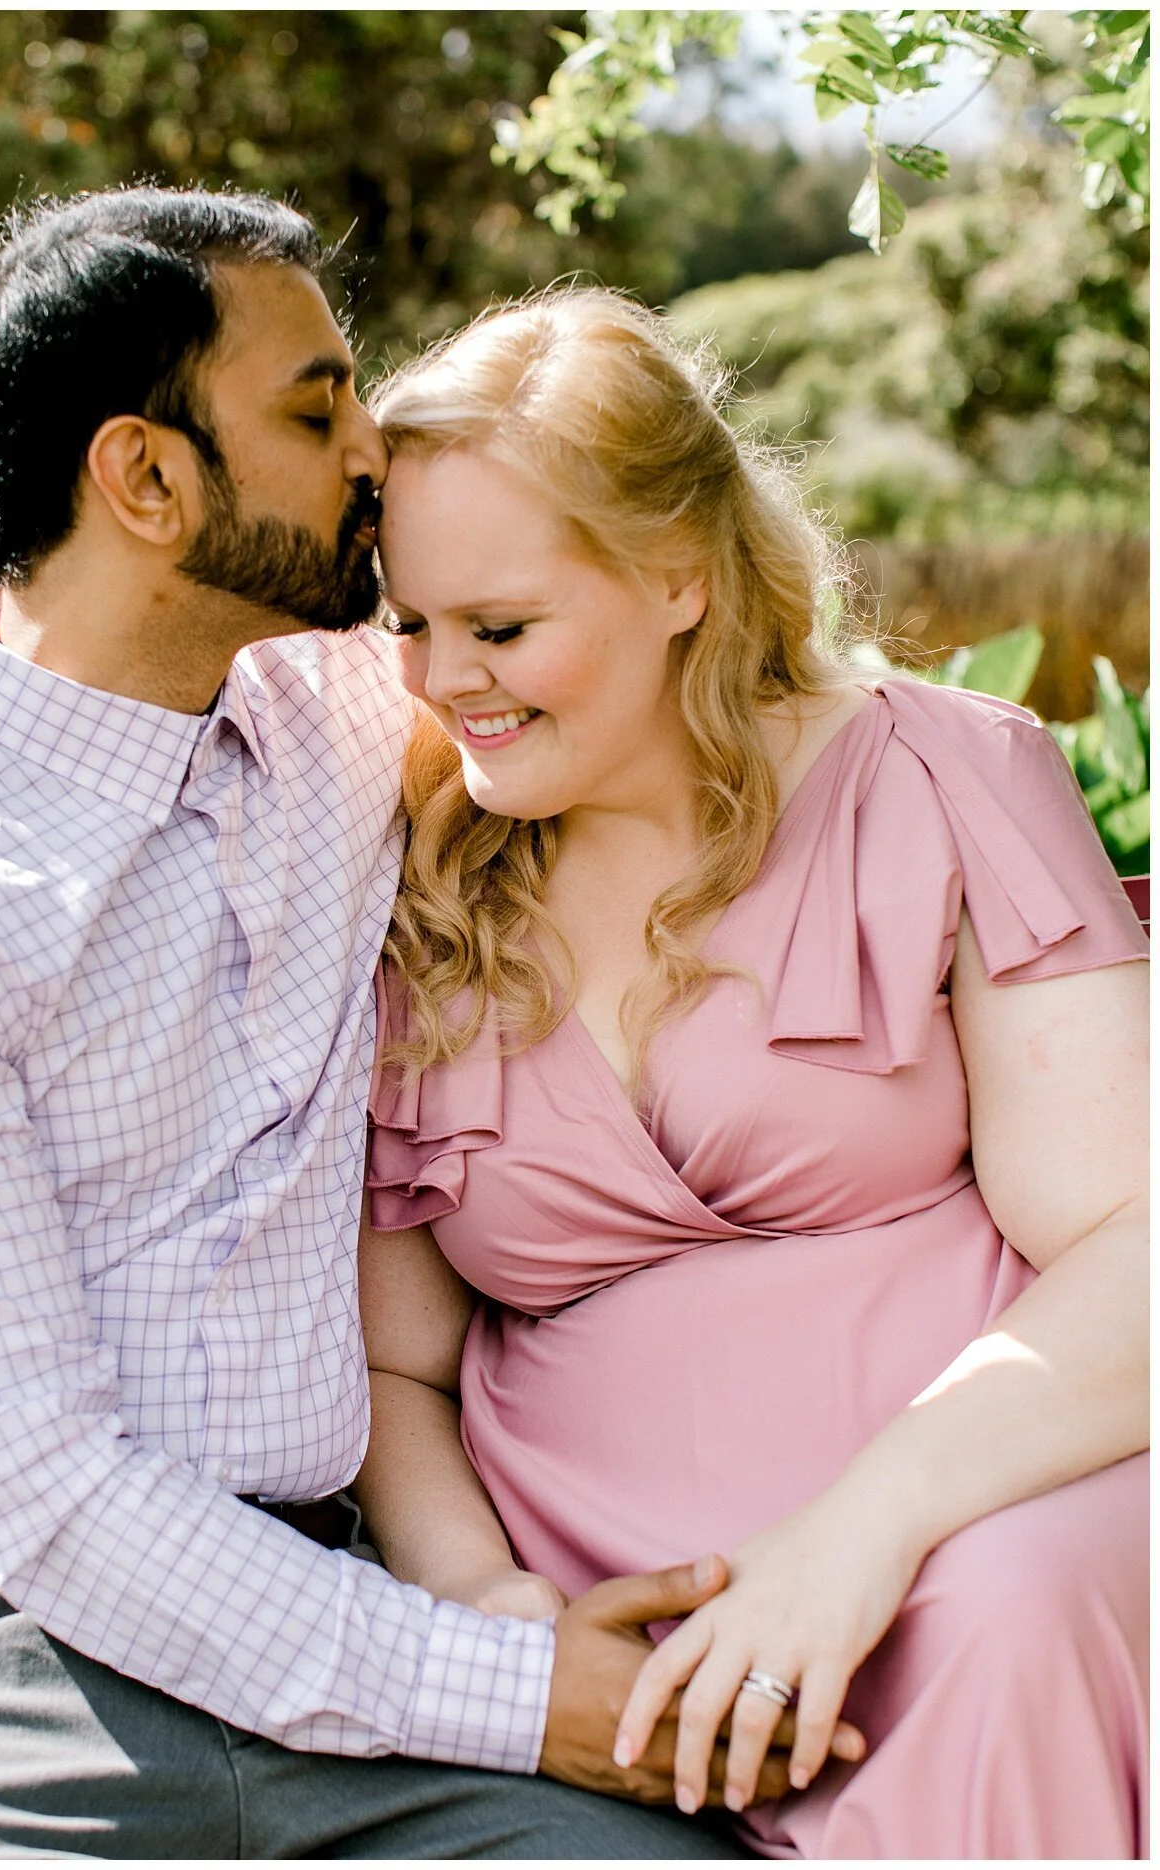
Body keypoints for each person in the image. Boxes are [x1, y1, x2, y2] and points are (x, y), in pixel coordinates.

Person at [0, 188, 840, 1860]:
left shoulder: (354, 714)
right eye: (319, 413)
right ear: (148, 480)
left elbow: (639, 651)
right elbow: (47, 1490)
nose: (375, 449)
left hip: (349, 1604)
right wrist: (520, 1691)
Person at [355, 287, 1149, 1859]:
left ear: (680, 575)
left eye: (498, 628)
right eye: (409, 625)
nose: (444, 681)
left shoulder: (945, 776)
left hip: (980, 1520)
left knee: (1010, 1612)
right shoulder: (416, 880)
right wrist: (486, 1607)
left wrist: (866, 1528)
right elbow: (396, 1371)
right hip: (620, 1624)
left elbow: (1139, 1237)